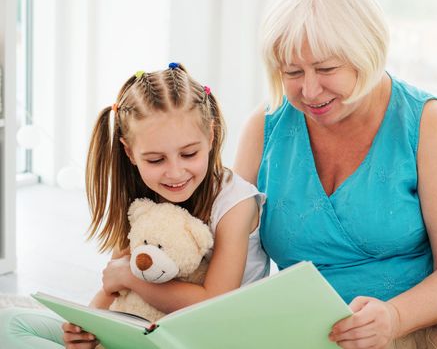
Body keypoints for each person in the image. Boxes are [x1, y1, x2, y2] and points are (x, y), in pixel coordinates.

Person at [234, 0, 437, 348]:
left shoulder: (428, 122)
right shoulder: (265, 128)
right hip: (333, 327)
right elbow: (228, 250)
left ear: (365, 54)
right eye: (292, 72)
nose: (309, 90)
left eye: (326, 69)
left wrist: (395, 317)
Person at [0, 63, 269, 349]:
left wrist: (131, 276)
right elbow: (112, 285)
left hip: (204, 340)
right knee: (10, 323)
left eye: (189, 154)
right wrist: (85, 329)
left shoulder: (235, 203)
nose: (175, 172)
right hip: (142, 329)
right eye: (156, 160)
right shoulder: (145, 197)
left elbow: (211, 304)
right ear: (129, 152)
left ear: (211, 136)